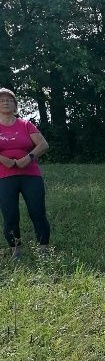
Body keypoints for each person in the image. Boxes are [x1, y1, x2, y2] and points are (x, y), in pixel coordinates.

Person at [0, 87, 51, 258]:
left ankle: (44, 248)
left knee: (37, 211)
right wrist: (2, 159)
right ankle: (15, 250)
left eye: (9, 100)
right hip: (4, 177)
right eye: (1, 100)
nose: (5, 102)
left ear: (15, 105)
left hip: (31, 175)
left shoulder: (26, 124)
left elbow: (43, 144)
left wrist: (29, 157)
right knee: (10, 214)